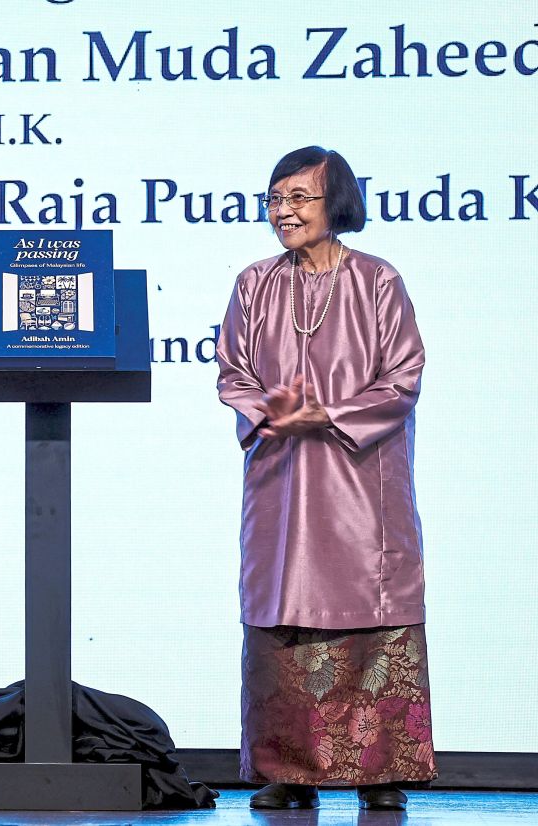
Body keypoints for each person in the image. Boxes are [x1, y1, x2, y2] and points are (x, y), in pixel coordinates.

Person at [216, 146, 434, 812]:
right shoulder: (255, 283)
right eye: (275, 199)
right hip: (282, 479)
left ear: (335, 202)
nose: (284, 212)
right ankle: (290, 770)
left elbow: (402, 379)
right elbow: (233, 374)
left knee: (372, 607)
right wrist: (273, 412)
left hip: (361, 481)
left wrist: (329, 413)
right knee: (283, 607)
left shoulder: (377, 281)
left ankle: (381, 772)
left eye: (299, 198)